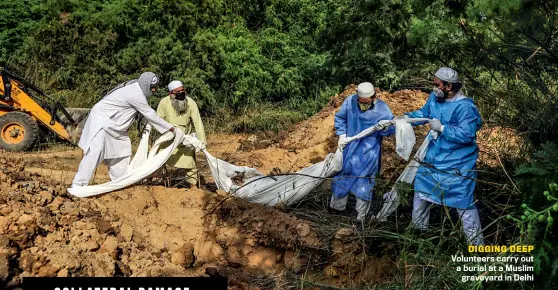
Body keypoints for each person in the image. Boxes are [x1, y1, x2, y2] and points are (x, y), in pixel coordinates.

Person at [399, 67, 484, 245]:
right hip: (434, 158)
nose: (433, 87)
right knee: (421, 192)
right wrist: (404, 118)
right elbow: (424, 114)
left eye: (437, 84)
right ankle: (419, 235)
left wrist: (443, 128)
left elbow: (466, 135)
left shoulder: (465, 107)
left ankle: (476, 247)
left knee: (464, 204)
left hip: (458, 164)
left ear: (449, 86)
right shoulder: (435, 98)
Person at [71, 72, 175, 187]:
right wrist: (170, 128)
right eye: (152, 87)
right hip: (102, 122)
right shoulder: (136, 94)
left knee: (121, 153)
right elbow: (150, 114)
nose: (154, 90)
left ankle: (120, 183)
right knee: (95, 152)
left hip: (116, 128)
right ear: (145, 85)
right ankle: (78, 185)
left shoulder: (137, 88)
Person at [330, 82, 395, 222]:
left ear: (373, 97)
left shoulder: (382, 109)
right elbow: (340, 118)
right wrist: (342, 135)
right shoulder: (350, 101)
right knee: (342, 176)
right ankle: (336, 209)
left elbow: (391, 128)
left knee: (364, 181)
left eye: (366, 102)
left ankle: (360, 217)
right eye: (360, 102)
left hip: (368, 151)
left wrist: (385, 128)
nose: (362, 105)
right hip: (349, 148)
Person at [156, 80, 207, 187]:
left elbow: (198, 123)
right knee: (157, 162)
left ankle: (193, 189)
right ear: (171, 94)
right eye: (177, 91)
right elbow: (158, 120)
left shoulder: (191, 103)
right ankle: (147, 182)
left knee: (190, 165)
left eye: (182, 90)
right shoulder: (164, 102)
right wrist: (169, 131)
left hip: (185, 141)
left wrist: (202, 142)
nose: (181, 93)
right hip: (168, 139)